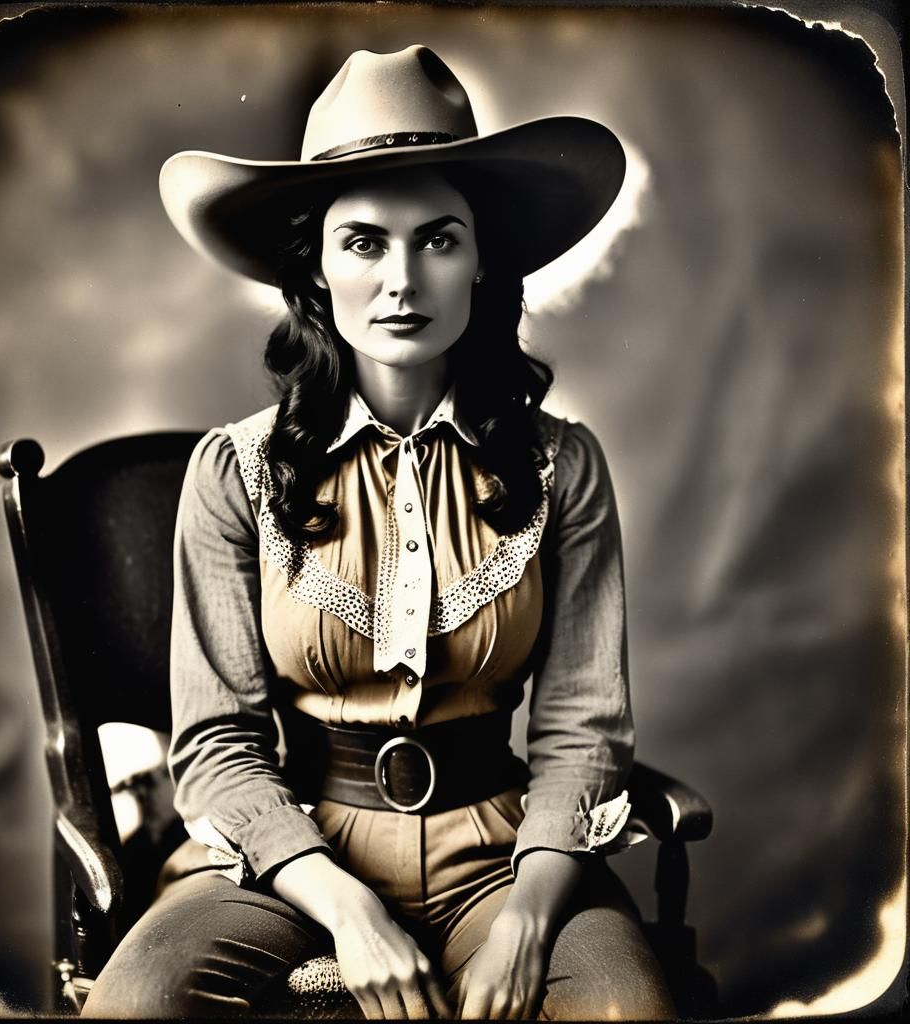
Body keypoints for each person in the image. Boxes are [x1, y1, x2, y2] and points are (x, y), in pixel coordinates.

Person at [83, 45, 674, 1020]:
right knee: (134, 1005)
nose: (402, 279)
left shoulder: (561, 466)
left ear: (483, 256)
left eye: (437, 239)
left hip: (501, 857)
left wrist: (529, 921)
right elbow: (218, 741)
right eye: (362, 242)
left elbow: (582, 723)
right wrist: (348, 909)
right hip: (289, 856)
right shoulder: (235, 472)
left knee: (625, 1010)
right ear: (313, 262)